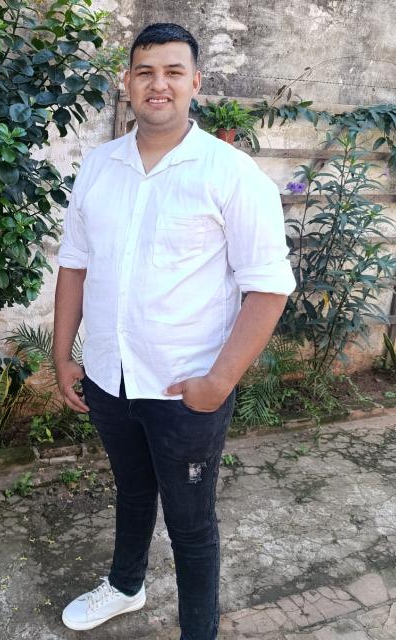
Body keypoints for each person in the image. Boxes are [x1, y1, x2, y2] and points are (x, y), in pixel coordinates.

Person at [52, 22, 296, 640]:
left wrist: (219, 382)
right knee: (132, 491)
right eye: (144, 71)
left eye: (172, 72)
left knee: (191, 524)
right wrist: (62, 354)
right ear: (127, 82)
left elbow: (268, 287)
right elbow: (75, 264)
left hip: (185, 389)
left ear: (195, 82)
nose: (157, 84)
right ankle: (125, 587)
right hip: (109, 377)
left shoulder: (230, 173)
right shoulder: (99, 166)